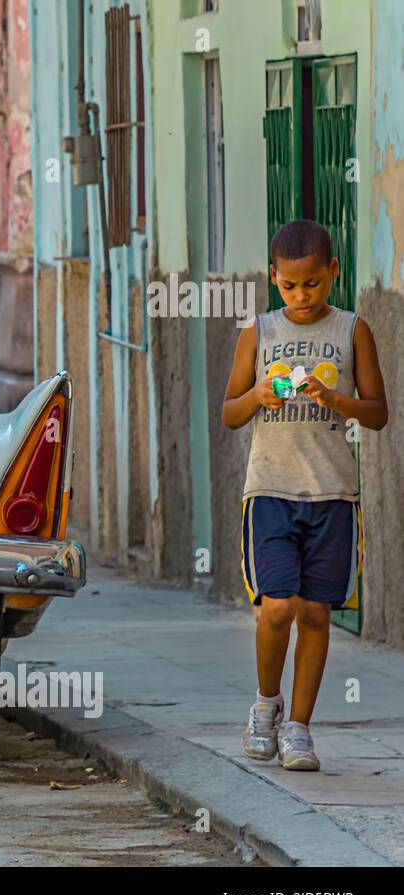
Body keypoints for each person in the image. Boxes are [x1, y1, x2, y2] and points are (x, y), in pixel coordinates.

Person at [221, 219, 389, 771]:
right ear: (274, 279)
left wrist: (336, 400)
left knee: (315, 614)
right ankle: (266, 704)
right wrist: (258, 394)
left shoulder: (353, 330)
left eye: (312, 284)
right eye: (290, 286)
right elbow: (229, 414)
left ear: (333, 273)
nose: (301, 296)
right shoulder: (258, 332)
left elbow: (379, 413)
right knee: (277, 609)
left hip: (332, 493)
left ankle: (299, 728)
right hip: (270, 490)